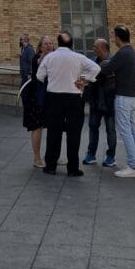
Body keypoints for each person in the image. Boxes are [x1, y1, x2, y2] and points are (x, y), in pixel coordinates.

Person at [37, 31, 100, 176]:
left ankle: (51, 166)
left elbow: (40, 76)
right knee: (74, 133)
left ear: (58, 43)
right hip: (74, 98)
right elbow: (96, 68)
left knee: (54, 132)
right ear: (71, 43)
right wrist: (84, 80)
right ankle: (72, 168)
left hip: (54, 97)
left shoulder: (50, 57)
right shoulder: (78, 57)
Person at [100, 25, 135, 178]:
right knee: (133, 130)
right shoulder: (133, 53)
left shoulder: (123, 53)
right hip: (133, 97)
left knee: (126, 131)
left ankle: (132, 165)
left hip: (123, 98)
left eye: (114, 36)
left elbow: (106, 69)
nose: (114, 39)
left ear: (118, 38)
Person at [82, 38, 117, 167]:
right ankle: (91, 154)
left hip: (109, 101)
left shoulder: (114, 62)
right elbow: (86, 75)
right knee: (92, 127)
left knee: (111, 130)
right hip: (95, 100)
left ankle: (111, 156)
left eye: (95, 47)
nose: (93, 49)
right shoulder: (92, 61)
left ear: (103, 48)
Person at [21, 34, 54, 167]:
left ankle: (53, 155)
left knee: (53, 126)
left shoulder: (54, 57)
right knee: (37, 126)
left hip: (50, 96)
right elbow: (39, 63)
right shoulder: (38, 58)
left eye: (50, 43)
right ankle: (37, 158)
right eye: (45, 43)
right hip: (36, 96)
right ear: (40, 47)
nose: (48, 45)